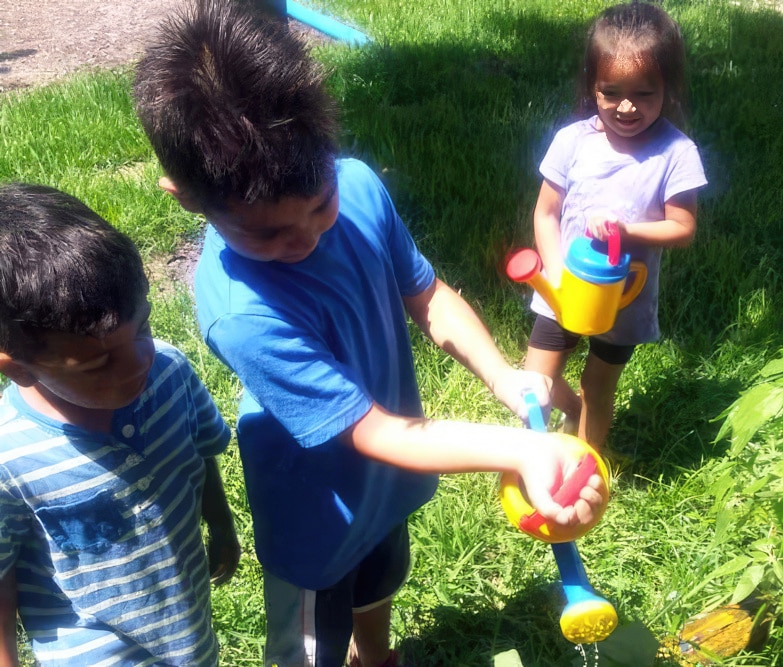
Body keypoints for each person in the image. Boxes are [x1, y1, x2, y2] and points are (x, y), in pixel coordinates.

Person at [131, 2, 607, 666]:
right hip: (314, 514)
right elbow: (373, 431)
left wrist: (503, 376)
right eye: (267, 232)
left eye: (319, 205)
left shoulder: (355, 187)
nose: (306, 237)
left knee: (380, 578)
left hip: (388, 481)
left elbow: (431, 296)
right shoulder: (240, 309)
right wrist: (518, 452)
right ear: (185, 196)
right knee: (310, 643)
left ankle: (376, 656)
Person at [0, 183, 239, 667]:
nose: (138, 363)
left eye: (144, 329)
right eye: (97, 364)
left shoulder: (170, 373)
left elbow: (201, 454)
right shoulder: (10, 455)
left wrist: (220, 522)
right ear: (19, 368)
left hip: (186, 630)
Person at [524, 1, 708, 448]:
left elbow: (682, 228)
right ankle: (532, 452)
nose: (626, 106)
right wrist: (554, 271)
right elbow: (545, 212)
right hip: (564, 286)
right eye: (611, 92)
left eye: (644, 94)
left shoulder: (676, 153)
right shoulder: (573, 141)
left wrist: (627, 232)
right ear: (592, 86)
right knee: (534, 382)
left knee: (598, 382)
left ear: (668, 88)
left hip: (625, 296)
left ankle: (584, 461)